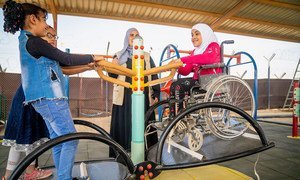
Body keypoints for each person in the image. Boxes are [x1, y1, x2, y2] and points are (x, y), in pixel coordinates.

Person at [2, 1, 103, 179]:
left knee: (58, 141)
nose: (47, 29)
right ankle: (64, 177)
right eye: (44, 21)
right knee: (71, 140)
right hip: (50, 98)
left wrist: (88, 65)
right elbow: (65, 58)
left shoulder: (27, 43)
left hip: (42, 100)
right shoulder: (34, 42)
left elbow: (63, 64)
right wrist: (92, 56)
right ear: (33, 19)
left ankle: (62, 176)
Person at [109, 28, 160, 155]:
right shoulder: (118, 55)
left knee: (143, 122)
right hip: (124, 97)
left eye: (137, 35)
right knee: (126, 123)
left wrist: (156, 93)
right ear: (127, 38)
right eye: (131, 35)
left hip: (143, 95)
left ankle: (147, 152)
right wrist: (113, 65)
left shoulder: (146, 56)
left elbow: (153, 75)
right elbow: (112, 76)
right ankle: (123, 153)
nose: (134, 37)